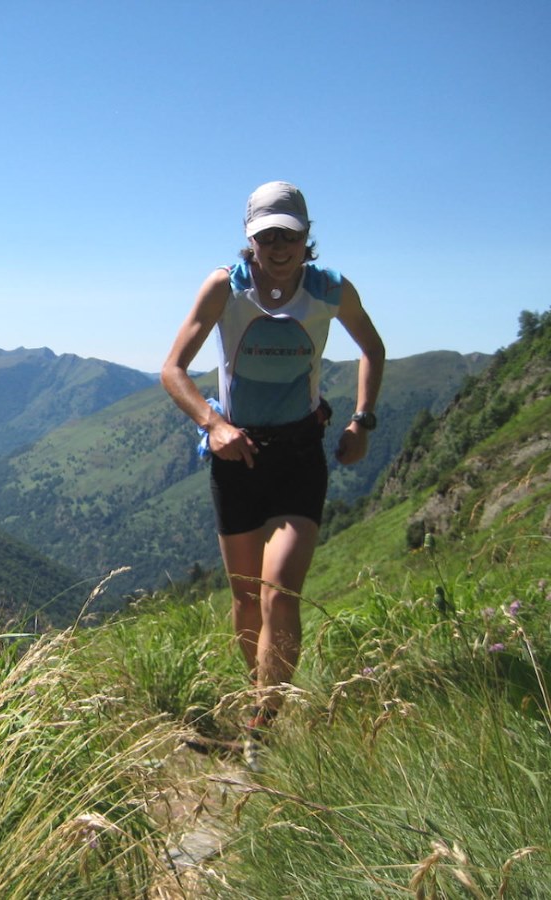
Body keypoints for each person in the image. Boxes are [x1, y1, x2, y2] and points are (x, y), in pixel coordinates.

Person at [160, 181, 385, 734]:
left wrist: (361, 420)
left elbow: (371, 349)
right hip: (237, 456)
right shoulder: (226, 288)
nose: (279, 247)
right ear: (250, 240)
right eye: (267, 236)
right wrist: (213, 426)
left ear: (307, 238)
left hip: (299, 454)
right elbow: (173, 369)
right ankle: (259, 696)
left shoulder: (330, 289)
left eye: (290, 234)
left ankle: (262, 723)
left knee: (278, 591)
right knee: (243, 596)